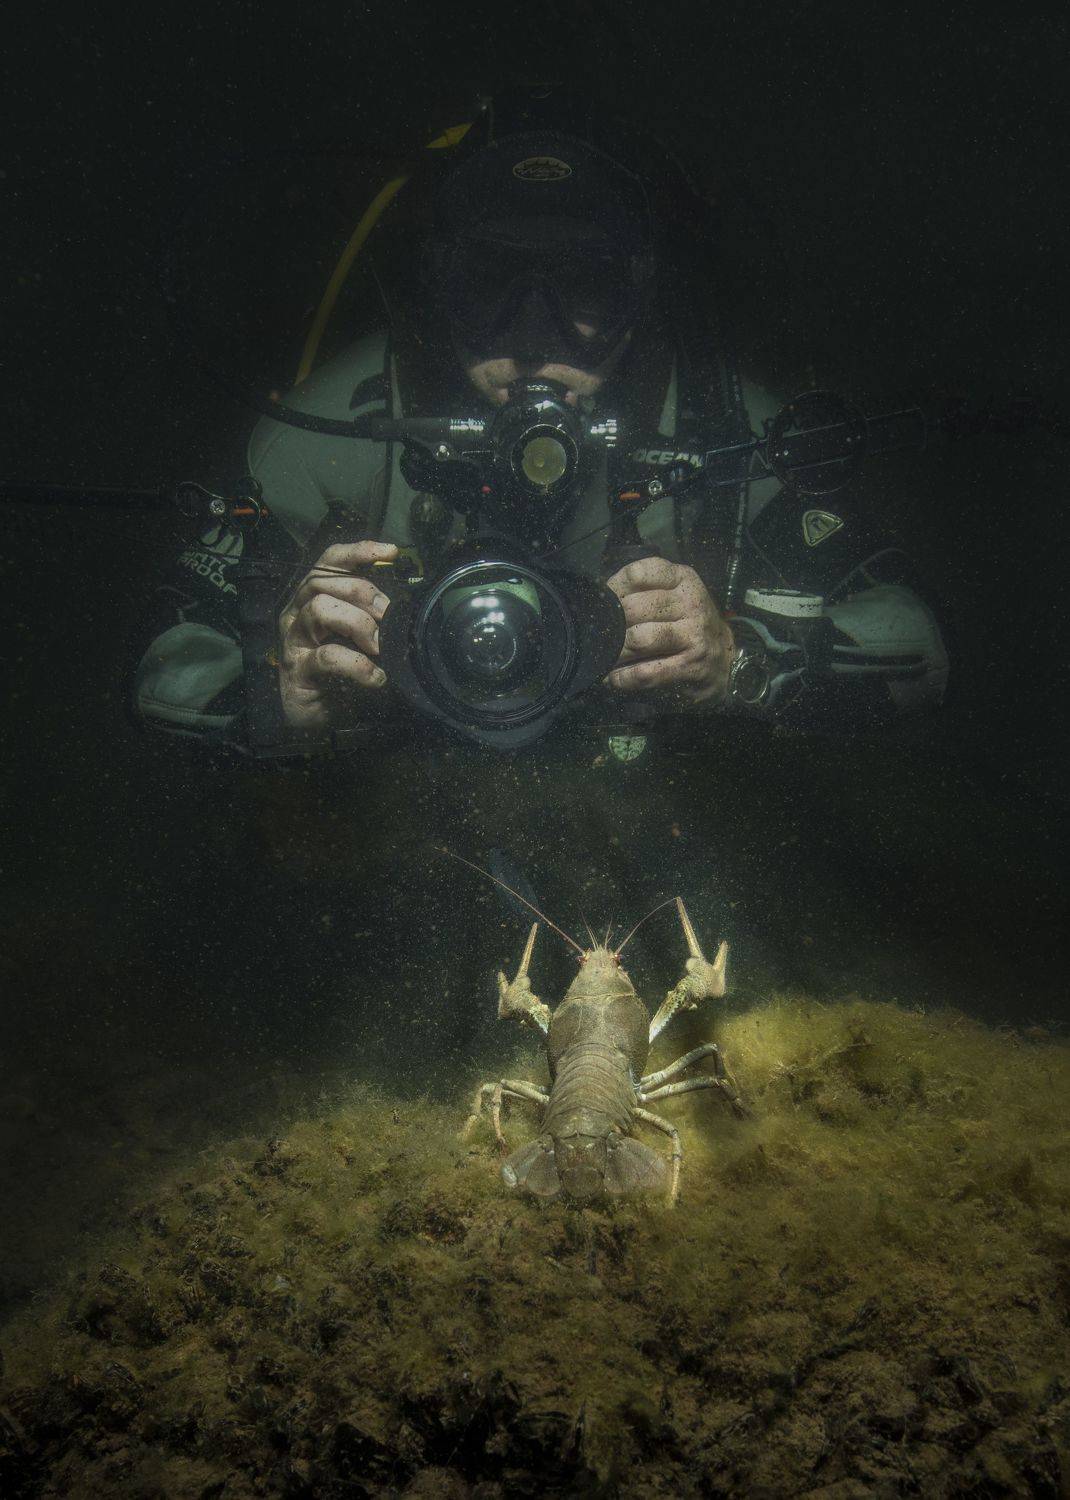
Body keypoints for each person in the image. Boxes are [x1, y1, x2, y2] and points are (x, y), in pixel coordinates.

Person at [133, 85, 948, 753]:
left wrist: (740, 663)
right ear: (439, 288)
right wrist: (280, 693)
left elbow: (920, 651)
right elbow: (164, 672)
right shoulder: (325, 444)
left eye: (584, 285)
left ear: (639, 294)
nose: (533, 333)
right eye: (491, 280)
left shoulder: (728, 437)